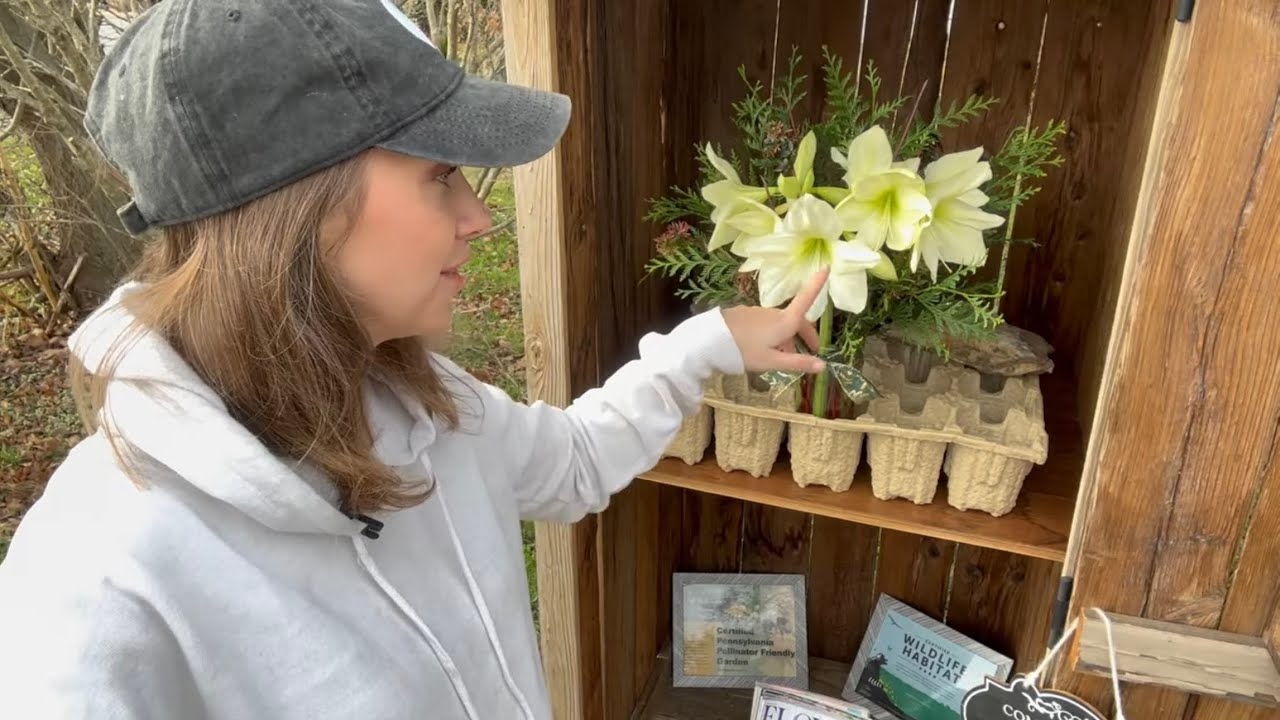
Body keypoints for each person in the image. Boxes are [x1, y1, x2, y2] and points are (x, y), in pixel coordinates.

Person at [0, 1, 830, 718]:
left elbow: (571, 461)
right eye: (441, 177)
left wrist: (706, 344)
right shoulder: (98, 578)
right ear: (301, 209)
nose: (479, 217)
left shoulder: (425, 404)